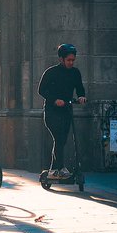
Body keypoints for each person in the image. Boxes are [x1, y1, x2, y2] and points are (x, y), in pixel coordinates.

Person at [38, 43, 87, 179]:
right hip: (52, 112)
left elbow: (79, 87)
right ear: (61, 59)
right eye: (68, 60)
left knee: (62, 140)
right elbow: (41, 90)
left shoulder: (75, 73)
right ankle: (60, 168)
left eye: (73, 60)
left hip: (66, 110)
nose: (71, 62)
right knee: (59, 138)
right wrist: (54, 100)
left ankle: (54, 170)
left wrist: (82, 96)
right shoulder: (51, 72)